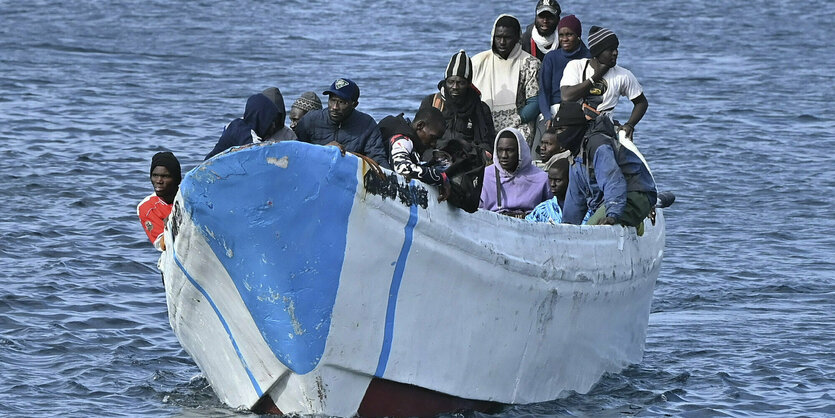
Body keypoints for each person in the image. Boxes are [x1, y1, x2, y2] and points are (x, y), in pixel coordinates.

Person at [553, 102, 656, 229]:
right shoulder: (576, 155)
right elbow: (575, 198)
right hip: (610, 202)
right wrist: (566, 227)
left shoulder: (598, 146)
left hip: (634, 195)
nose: (559, 135)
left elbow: (613, 181)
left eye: (562, 129)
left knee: (591, 230)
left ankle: (634, 219)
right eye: (556, 130)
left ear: (576, 128)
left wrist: (612, 215)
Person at [560, 26, 648, 140]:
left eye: (616, 49)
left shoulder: (623, 75)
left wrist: (630, 125)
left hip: (602, 130)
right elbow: (567, 96)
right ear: (597, 52)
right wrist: (596, 76)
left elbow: (641, 103)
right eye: (610, 50)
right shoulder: (576, 66)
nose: (615, 53)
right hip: (574, 127)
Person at [472, 14, 541, 142]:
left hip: (518, 124)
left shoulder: (530, 63)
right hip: (482, 124)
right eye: (498, 37)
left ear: (517, 38)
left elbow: (535, 102)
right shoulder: (477, 62)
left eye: (507, 38)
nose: (502, 42)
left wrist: (515, 120)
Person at [294, 78, 391, 169]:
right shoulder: (311, 120)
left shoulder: (367, 125)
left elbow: (377, 159)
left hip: (350, 178)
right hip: (315, 171)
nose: (335, 107)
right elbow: (295, 151)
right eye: (332, 100)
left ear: (354, 104)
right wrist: (323, 151)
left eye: (341, 102)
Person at [420, 50, 495, 154]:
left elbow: (488, 142)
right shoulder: (431, 103)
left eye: (461, 83)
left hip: (467, 159)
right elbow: (420, 137)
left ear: (468, 84)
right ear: (445, 82)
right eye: (451, 82)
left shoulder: (480, 109)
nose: (455, 87)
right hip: (435, 156)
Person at [378, 107, 450, 200]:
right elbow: (403, 169)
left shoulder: (404, 131)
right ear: (420, 126)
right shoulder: (403, 140)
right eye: (433, 137)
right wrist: (441, 178)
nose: (434, 144)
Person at [479, 128, 551, 215]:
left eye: (509, 150)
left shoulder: (541, 178)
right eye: (500, 150)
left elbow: (550, 210)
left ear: (520, 151)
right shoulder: (486, 176)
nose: (504, 156)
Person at [204, 88, 291, 160]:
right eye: (270, 121)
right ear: (261, 119)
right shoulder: (244, 132)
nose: (273, 126)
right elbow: (258, 155)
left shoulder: (236, 124)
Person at [538, 14, 590, 121]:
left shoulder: (589, 57)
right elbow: (544, 92)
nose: (564, 39)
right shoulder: (551, 58)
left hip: (581, 110)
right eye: (561, 35)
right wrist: (547, 116)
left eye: (569, 34)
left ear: (578, 35)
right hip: (555, 110)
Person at [137, 151, 181, 251]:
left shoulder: (189, 196)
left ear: (176, 179)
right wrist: (173, 222)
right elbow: (162, 245)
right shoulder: (146, 207)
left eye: (165, 176)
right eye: (155, 175)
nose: (159, 181)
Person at [525, 157, 569, 224]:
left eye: (558, 180)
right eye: (550, 179)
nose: (552, 184)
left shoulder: (585, 210)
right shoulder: (543, 210)